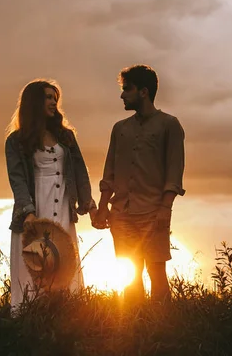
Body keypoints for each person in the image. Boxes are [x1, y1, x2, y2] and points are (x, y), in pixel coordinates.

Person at [93, 65, 185, 303]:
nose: (122, 95)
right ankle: (135, 329)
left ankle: (162, 330)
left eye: (127, 89)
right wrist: (103, 207)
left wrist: (165, 208)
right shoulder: (120, 128)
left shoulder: (169, 125)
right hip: (121, 215)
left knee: (156, 272)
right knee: (130, 275)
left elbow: (174, 172)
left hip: (154, 213)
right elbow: (109, 172)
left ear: (143, 92)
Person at [5, 79, 96, 311]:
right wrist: (28, 214)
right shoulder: (16, 141)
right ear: (34, 102)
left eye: (55, 98)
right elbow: (18, 180)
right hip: (35, 211)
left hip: (63, 210)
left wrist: (89, 204)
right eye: (47, 97)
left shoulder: (66, 137)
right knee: (34, 269)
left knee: (63, 269)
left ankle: (65, 322)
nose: (53, 102)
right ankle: (30, 326)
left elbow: (80, 171)